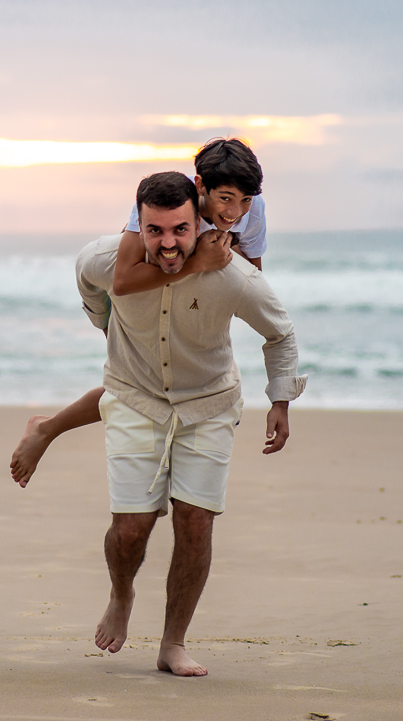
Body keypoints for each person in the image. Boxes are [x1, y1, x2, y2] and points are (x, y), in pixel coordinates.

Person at [59, 171, 305, 676]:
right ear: (139, 226)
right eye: (155, 231)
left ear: (198, 222)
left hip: (208, 405)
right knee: (131, 528)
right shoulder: (107, 260)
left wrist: (280, 400)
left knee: (196, 522)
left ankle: (173, 643)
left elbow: (280, 333)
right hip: (136, 398)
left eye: (180, 230)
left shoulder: (233, 275)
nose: (168, 243)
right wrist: (103, 319)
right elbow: (86, 277)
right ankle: (121, 594)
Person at [11, 138, 266, 488]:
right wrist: (199, 261)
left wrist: (223, 255)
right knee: (135, 384)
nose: (235, 212)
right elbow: (123, 279)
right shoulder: (164, 201)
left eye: (245, 200)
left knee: (152, 382)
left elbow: (251, 279)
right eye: (225, 199)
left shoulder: (252, 207)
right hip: (117, 292)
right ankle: (46, 429)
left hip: (170, 288)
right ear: (200, 187)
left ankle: (47, 427)